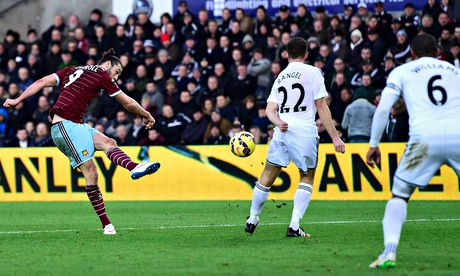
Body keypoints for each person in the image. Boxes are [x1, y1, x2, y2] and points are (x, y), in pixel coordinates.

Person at [3, 49, 161, 235]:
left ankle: (134, 167)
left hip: (76, 125)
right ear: (108, 64)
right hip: (64, 126)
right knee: (91, 172)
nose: (116, 77)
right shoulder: (102, 74)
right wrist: (147, 114)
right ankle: (107, 225)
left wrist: (18, 99)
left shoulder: (72, 69)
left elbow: (41, 82)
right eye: (117, 72)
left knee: (109, 142)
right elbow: (128, 103)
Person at [366, 34, 460, 268]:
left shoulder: (403, 71)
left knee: (399, 195)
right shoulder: (453, 70)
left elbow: (384, 107)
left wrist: (374, 144)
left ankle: (389, 252)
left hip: (423, 139)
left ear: (412, 53)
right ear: (438, 51)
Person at [245, 37, 345, 237]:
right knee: (306, 176)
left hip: (282, 132)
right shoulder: (313, 72)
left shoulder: (280, 77)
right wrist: (335, 137)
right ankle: (294, 225)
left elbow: (269, 110)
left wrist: (278, 122)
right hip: (304, 131)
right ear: (306, 54)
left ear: (286, 54)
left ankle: (252, 217)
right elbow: (321, 106)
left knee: (267, 175)